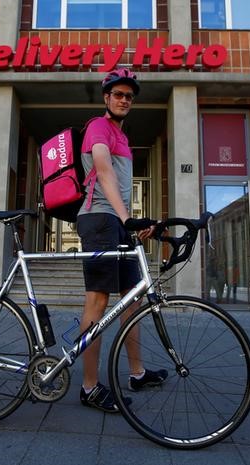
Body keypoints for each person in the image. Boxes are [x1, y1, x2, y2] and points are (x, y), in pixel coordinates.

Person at [76, 68, 168, 413]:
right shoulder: (98, 127)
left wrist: (130, 222)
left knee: (132, 300)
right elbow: (103, 170)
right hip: (98, 218)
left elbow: (119, 182)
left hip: (116, 220)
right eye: (118, 94)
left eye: (129, 96)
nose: (124, 100)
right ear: (107, 98)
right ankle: (89, 387)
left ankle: (136, 372)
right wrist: (125, 218)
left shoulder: (122, 136)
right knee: (98, 301)